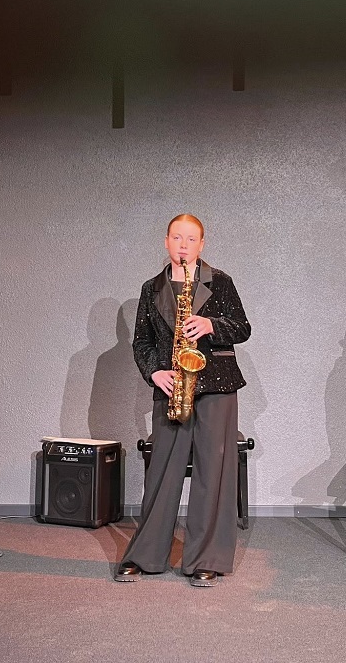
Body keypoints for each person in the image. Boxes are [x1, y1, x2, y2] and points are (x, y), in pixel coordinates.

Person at [115, 214, 251, 587]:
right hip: (172, 385)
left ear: (201, 244)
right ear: (166, 241)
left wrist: (211, 325)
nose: (184, 245)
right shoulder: (151, 288)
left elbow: (243, 328)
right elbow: (142, 342)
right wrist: (154, 373)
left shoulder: (220, 282)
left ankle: (206, 558)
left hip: (217, 385)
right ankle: (146, 555)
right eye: (177, 238)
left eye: (191, 239)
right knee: (162, 472)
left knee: (213, 473)